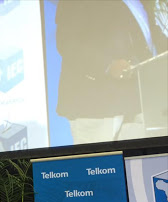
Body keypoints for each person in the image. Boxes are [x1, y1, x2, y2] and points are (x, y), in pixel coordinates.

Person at [56, 0, 168, 144]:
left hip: (138, 103)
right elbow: (68, 43)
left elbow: (150, 34)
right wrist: (108, 65)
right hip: (97, 108)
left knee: (140, 163)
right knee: (100, 165)